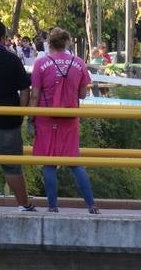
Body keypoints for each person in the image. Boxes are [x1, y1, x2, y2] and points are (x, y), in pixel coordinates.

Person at [30, 27, 99, 214]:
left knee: (49, 163)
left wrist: (31, 117)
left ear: (49, 43)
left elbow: (35, 95)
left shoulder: (41, 63)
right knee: (75, 162)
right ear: (67, 42)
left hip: (46, 117)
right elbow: (83, 94)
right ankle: (91, 205)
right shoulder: (78, 63)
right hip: (70, 118)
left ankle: (52, 207)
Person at [0, 19, 37, 212]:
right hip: (7, 120)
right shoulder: (12, 59)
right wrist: (21, 114)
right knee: (11, 167)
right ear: (3, 38)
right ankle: (24, 205)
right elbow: (25, 90)